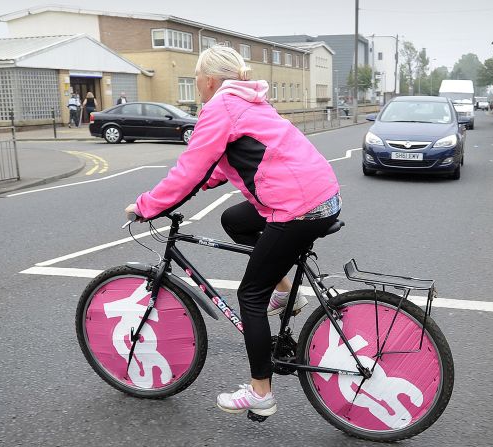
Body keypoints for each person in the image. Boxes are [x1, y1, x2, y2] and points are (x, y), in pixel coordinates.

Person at [124, 46, 340, 417]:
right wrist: (205, 183)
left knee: (249, 297)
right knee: (235, 221)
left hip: (297, 207)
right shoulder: (248, 101)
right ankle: (287, 293)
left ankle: (260, 394)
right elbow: (242, 157)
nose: (197, 85)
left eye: (196, 79)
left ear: (208, 80)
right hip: (321, 197)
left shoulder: (220, 108)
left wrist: (147, 206)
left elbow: (189, 169)